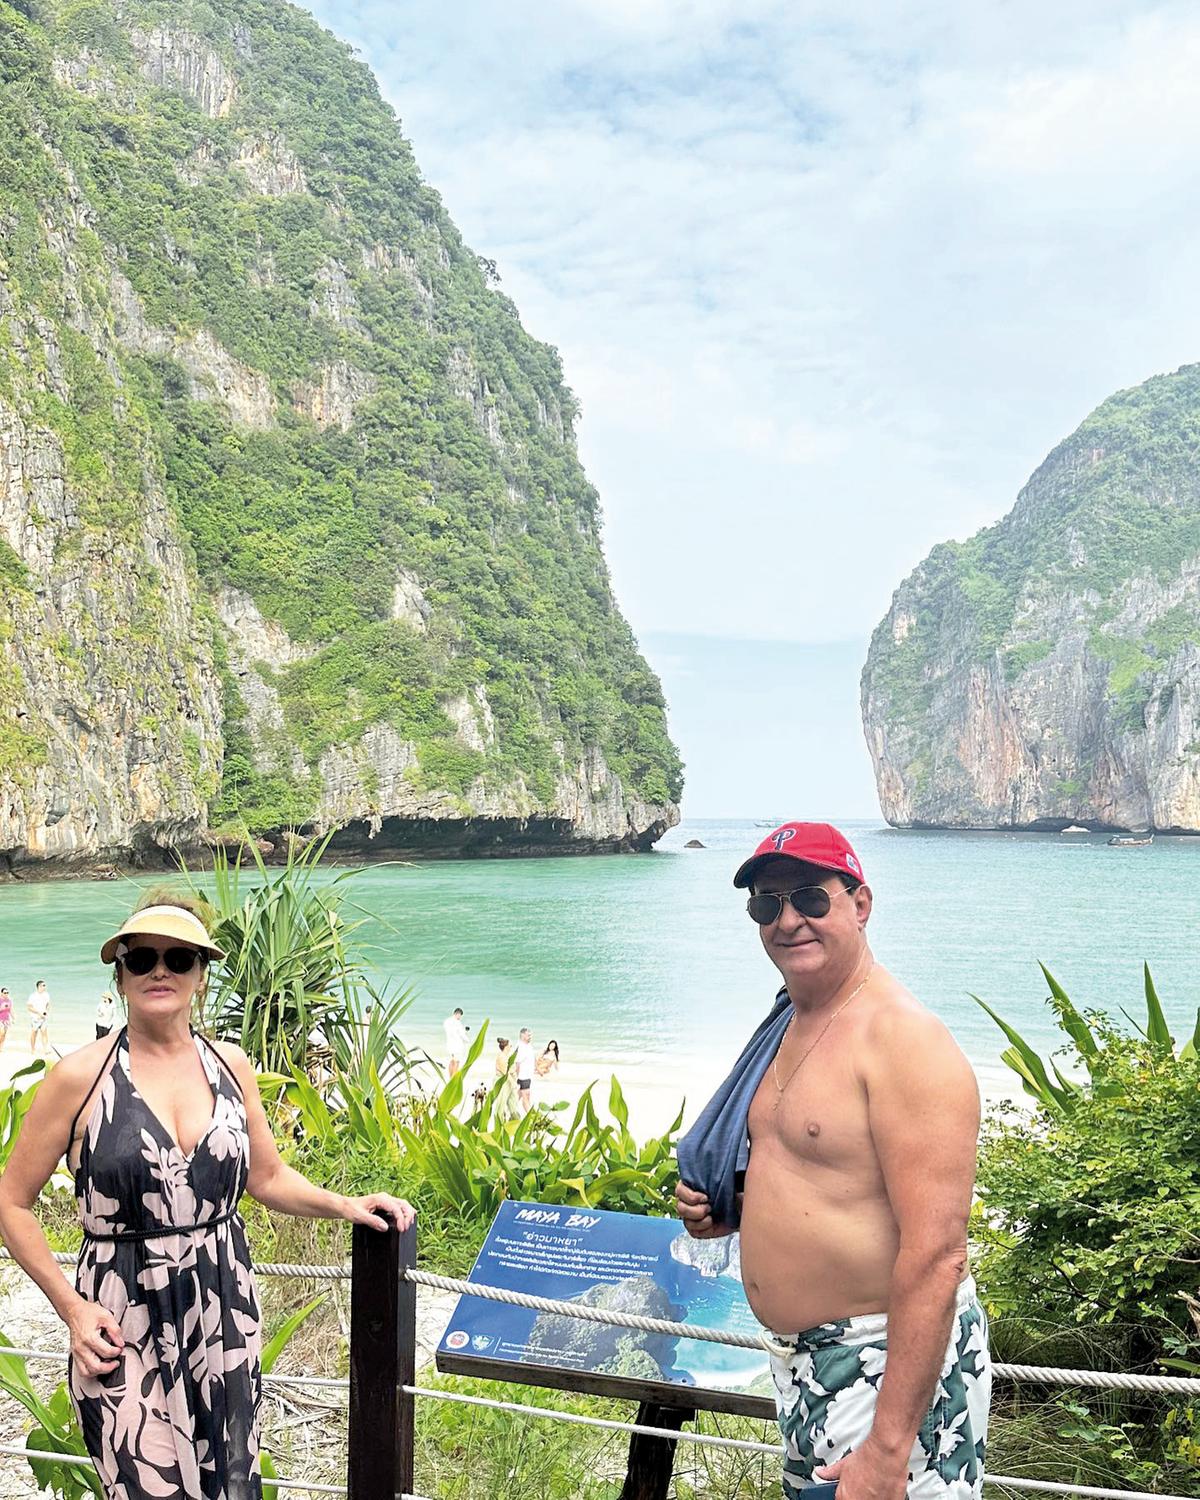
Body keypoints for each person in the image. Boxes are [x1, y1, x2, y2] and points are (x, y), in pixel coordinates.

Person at [0, 891, 415, 1500]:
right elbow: (11, 1203)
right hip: (118, 1317)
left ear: (200, 974)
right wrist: (73, 1310)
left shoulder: (231, 1065)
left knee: (228, 1482)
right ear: (120, 977)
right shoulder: (78, 1077)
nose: (159, 970)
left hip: (222, 1309)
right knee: (144, 1483)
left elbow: (267, 1177)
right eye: (141, 959)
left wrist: (345, 1205)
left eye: (178, 957)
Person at [675, 822, 989, 1500]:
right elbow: (815, 1174)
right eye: (767, 904)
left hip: (884, 1368)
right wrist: (726, 1212)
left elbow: (939, 1256)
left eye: (811, 899)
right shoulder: (789, 1020)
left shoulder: (903, 1042)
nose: (788, 920)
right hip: (802, 1369)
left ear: (861, 903)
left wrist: (887, 1448)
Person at [494, 1037, 521, 1122]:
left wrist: (515, 1079)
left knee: (513, 1102)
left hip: (510, 1081)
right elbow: (505, 1072)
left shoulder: (507, 1056)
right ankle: (499, 1122)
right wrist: (513, 1083)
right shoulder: (501, 1057)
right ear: (506, 1047)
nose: (511, 1046)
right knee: (501, 1103)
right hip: (503, 1082)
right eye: (510, 1045)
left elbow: (512, 1070)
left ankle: (516, 1120)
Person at [514, 1026, 535, 1114]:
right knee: (526, 1096)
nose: (530, 1037)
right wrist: (515, 1076)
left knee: (518, 1096)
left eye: (530, 1035)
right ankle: (531, 1116)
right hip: (522, 1076)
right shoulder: (521, 1047)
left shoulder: (528, 1045)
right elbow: (517, 1063)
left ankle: (508, 1111)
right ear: (523, 1036)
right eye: (528, 1035)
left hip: (528, 1075)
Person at [443, 1006, 469, 1076]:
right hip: (457, 1046)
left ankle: (450, 1077)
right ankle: (454, 1078)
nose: (460, 1017)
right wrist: (467, 1040)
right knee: (457, 1062)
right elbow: (461, 1035)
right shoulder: (458, 1023)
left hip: (449, 1045)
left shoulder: (447, 1021)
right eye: (460, 1015)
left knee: (452, 1061)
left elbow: (451, 1032)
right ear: (458, 1014)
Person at [27, 980, 50, 1058]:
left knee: (44, 1032)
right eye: (43, 985)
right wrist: (38, 1013)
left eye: (45, 985)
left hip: (44, 1017)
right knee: (34, 1033)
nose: (45, 987)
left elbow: (48, 1004)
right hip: (35, 1018)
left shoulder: (46, 995)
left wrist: (46, 1011)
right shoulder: (33, 996)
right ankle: (33, 1049)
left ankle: (45, 1050)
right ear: (39, 986)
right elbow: (29, 1007)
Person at [0, 987, 11, 1052]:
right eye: (5, 993)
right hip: (0, 1019)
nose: (6, 994)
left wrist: (13, 1017)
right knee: (1, 1033)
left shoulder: (9, 1000)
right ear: (1, 993)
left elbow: (10, 1010)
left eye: (7, 993)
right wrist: (1, 1008)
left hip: (6, 1019)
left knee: (4, 1034)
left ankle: (1, 1047)